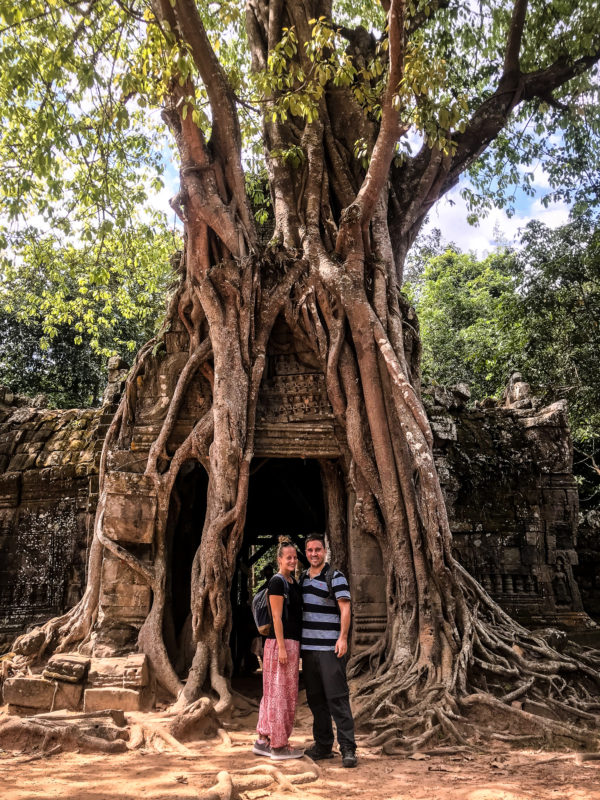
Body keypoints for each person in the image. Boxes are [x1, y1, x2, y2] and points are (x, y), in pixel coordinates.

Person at [301, 534, 357, 768]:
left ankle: (347, 748)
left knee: (337, 699)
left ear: (325, 551)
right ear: (306, 553)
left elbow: (345, 609)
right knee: (316, 700)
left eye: (318, 549)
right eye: (310, 550)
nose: (314, 554)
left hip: (329, 649)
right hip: (308, 650)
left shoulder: (335, 577)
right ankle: (323, 745)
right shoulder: (301, 579)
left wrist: (343, 638)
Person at [253, 540, 304, 760]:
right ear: (279, 559)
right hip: (280, 644)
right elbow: (276, 617)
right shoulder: (277, 582)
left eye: (294, 557)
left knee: (274, 694)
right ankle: (279, 745)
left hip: (290, 643)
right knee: (281, 695)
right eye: (288, 557)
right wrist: (282, 647)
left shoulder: (293, 582)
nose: (292, 560)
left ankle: (263, 740)